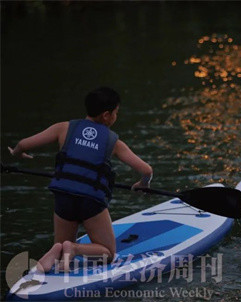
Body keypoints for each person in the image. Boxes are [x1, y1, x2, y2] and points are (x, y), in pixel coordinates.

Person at [8, 87, 153, 271]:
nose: (116, 117)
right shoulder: (113, 142)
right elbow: (146, 170)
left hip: (63, 197)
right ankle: (74, 248)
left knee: (62, 244)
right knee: (108, 253)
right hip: (90, 201)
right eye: (116, 113)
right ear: (107, 115)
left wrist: (17, 153)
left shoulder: (63, 128)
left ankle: (59, 249)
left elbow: (23, 144)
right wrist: (143, 184)